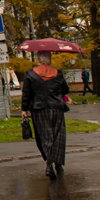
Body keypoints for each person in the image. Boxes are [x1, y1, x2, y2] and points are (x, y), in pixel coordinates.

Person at [22, 51, 70, 179]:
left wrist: (24, 109)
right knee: (58, 136)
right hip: (56, 109)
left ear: (38, 59)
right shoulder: (58, 73)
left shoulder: (31, 74)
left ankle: (49, 164)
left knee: (45, 137)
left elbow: (26, 93)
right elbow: (66, 90)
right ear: (49, 59)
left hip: (39, 109)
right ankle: (58, 165)